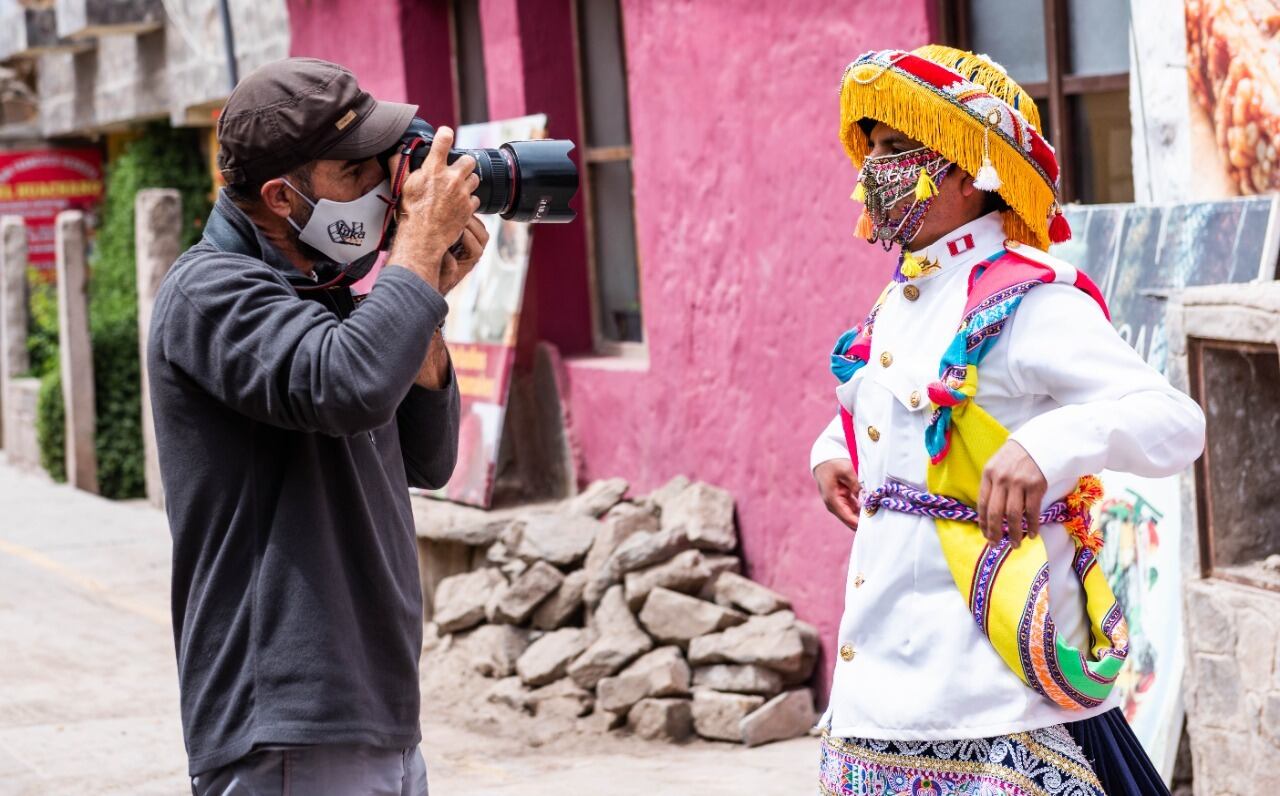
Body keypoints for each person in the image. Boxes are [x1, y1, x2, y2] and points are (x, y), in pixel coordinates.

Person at [811, 45, 1205, 795]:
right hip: (876, 693)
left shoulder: (1031, 303)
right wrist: (833, 449)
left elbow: (1174, 420)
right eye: (873, 150)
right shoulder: (902, 299)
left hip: (988, 700)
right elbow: (891, 411)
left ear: (962, 171)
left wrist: (1048, 444)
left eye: (897, 150)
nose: (872, 171)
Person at [148, 57, 486, 794]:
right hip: (288, 728)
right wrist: (415, 253)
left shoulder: (321, 297)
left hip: (378, 715)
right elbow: (350, 387)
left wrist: (429, 292)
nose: (382, 187)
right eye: (355, 170)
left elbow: (428, 458)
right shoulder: (210, 293)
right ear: (281, 195)